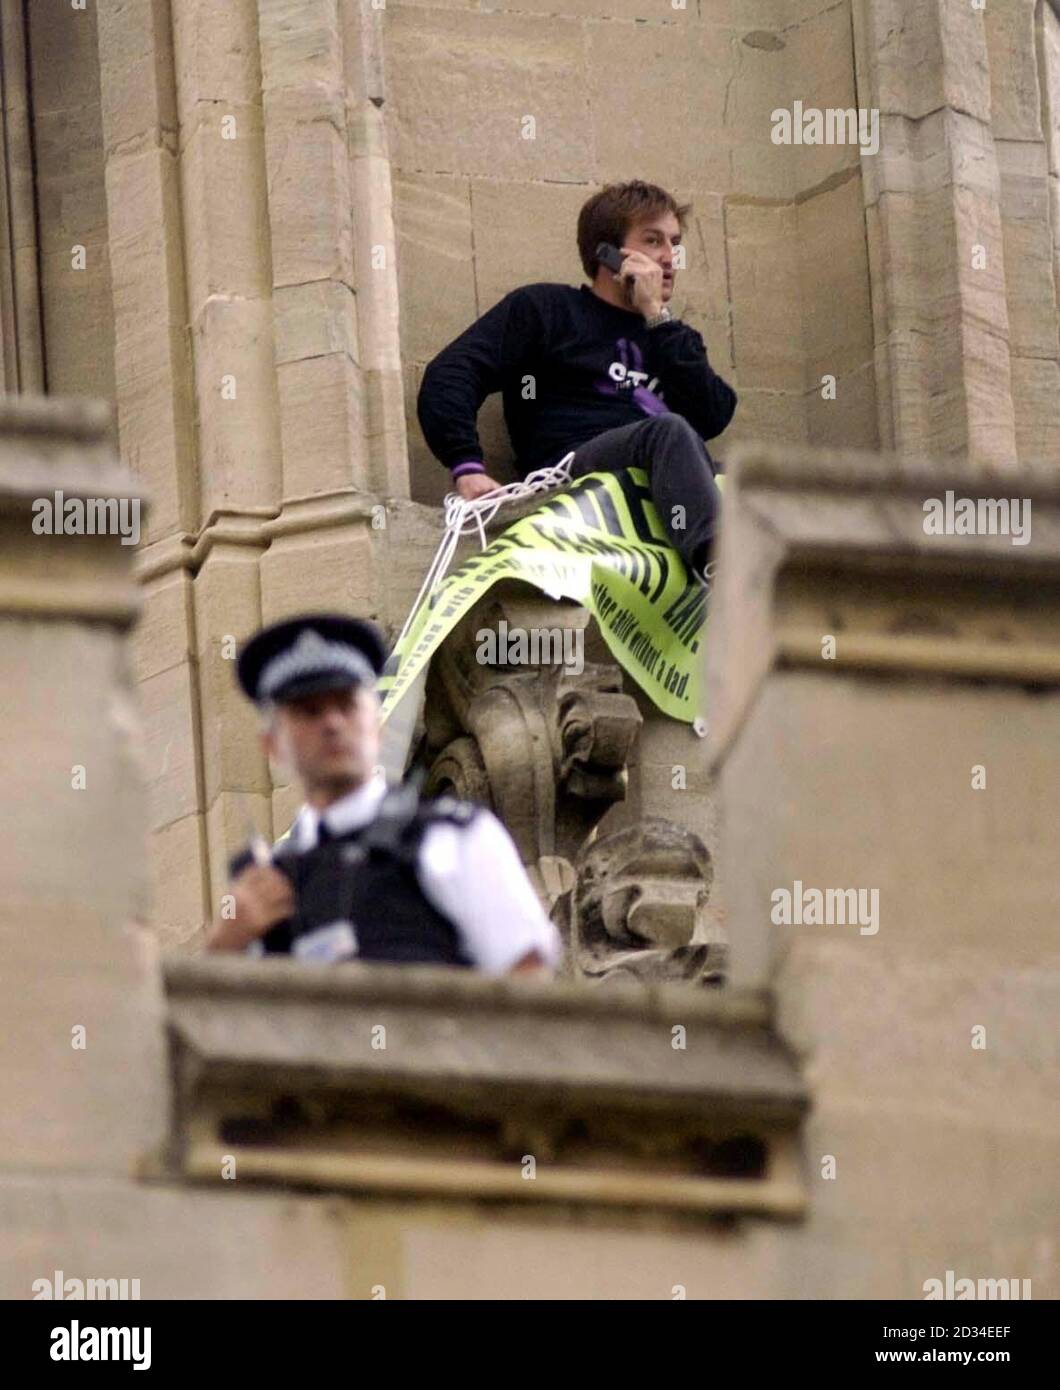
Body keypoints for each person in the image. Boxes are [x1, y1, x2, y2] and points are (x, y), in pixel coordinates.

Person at [416, 179, 736, 582]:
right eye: (653, 241)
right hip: (573, 470)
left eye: (675, 243)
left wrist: (656, 316)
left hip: (656, 478)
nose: (670, 258)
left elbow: (712, 416)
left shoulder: (670, 335)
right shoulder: (547, 309)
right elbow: (453, 372)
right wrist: (466, 464)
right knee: (668, 432)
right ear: (609, 254)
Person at [205, 613, 561, 974]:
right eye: (309, 711)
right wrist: (226, 946)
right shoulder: (266, 887)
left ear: (378, 726)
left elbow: (526, 978)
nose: (332, 724)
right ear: (272, 745)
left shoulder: (451, 838)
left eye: (346, 706)